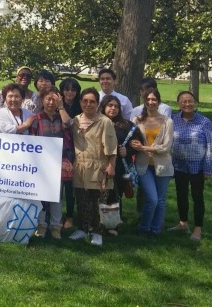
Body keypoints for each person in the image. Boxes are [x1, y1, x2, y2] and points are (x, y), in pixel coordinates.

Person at [69, 88, 117, 247]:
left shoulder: (104, 121)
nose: (88, 104)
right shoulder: (75, 120)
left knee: (98, 202)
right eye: (85, 101)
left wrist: (111, 166)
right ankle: (83, 228)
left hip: (99, 166)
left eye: (92, 101)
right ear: (80, 102)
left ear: (97, 104)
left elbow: (111, 147)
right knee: (81, 200)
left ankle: (97, 232)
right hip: (80, 166)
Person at [170, 91, 212, 242]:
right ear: (178, 104)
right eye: (183, 101)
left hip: (198, 166)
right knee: (181, 195)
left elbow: (210, 146)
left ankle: (198, 228)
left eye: (190, 101)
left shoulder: (204, 122)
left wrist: (208, 168)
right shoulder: (174, 119)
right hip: (179, 165)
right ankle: (183, 223)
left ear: (195, 103)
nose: (187, 104)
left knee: (197, 197)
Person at [131, 88, 174, 237]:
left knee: (160, 200)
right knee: (152, 199)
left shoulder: (167, 122)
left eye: (154, 99)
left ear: (158, 102)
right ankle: (144, 228)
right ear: (145, 101)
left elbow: (166, 147)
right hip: (143, 166)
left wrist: (143, 147)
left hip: (163, 165)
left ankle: (155, 229)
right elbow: (130, 139)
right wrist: (134, 145)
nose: (151, 102)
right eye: (148, 99)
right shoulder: (137, 120)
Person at [30, 88, 71, 240]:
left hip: (58, 161)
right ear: (42, 100)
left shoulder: (62, 117)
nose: (51, 102)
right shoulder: (37, 118)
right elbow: (32, 139)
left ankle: (55, 226)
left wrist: (61, 107)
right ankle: (41, 225)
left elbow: (69, 125)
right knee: (40, 194)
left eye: (54, 99)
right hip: (41, 162)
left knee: (56, 196)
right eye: (48, 99)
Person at [99, 94, 142, 232]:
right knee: (98, 194)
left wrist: (128, 151)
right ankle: (97, 222)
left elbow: (138, 145)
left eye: (116, 106)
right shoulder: (96, 121)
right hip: (98, 164)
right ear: (104, 107)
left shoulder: (127, 125)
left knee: (115, 195)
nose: (113, 108)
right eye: (110, 105)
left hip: (119, 167)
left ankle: (113, 224)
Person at [58, 77, 81, 228]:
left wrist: (61, 108)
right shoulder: (57, 105)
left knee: (70, 185)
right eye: (66, 89)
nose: (70, 92)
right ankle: (57, 215)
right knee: (57, 184)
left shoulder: (81, 106)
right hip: (59, 148)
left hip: (76, 148)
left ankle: (70, 216)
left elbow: (69, 123)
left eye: (73, 89)